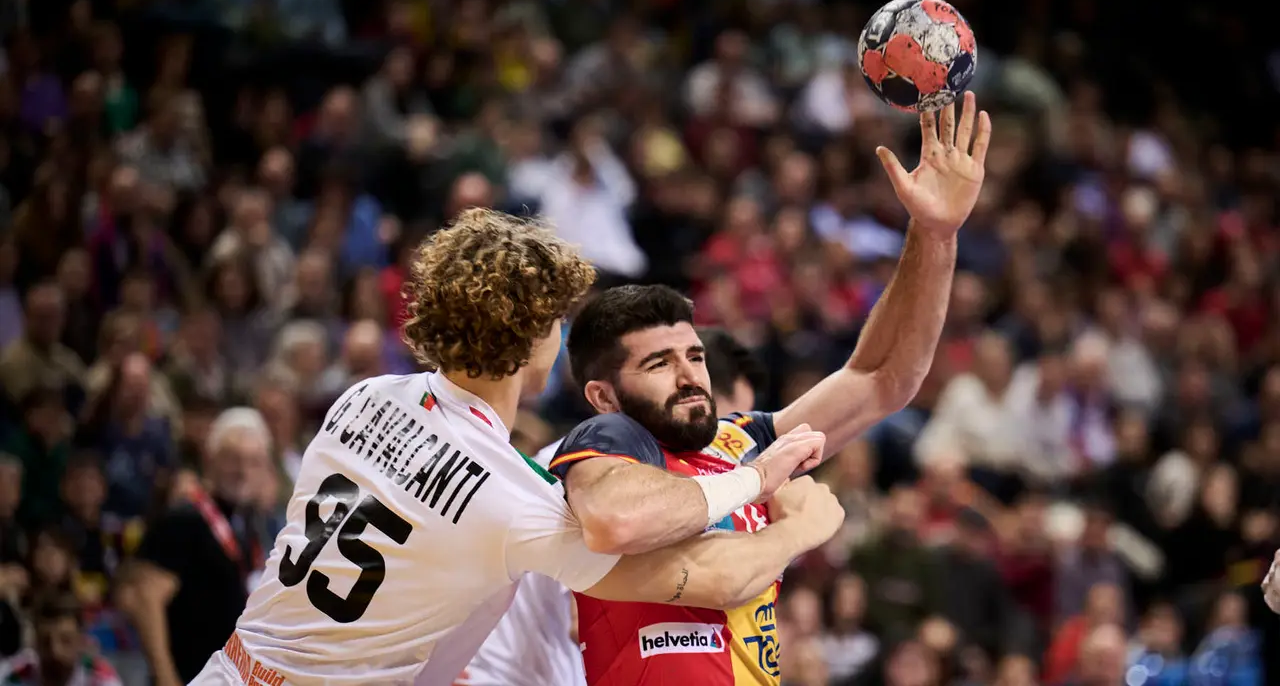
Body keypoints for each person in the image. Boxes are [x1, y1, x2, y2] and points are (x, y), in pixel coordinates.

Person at [186, 209, 844, 685]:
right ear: (534, 337)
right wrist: (769, 494)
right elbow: (713, 579)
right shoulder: (514, 501)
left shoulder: (365, 397)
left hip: (228, 670)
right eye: (557, 321)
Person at [549, 93, 991, 684]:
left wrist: (935, 235)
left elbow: (882, 378)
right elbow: (615, 523)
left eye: (695, 356)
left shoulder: (739, 441)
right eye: (658, 363)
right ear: (603, 395)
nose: (689, 377)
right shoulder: (607, 442)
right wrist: (792, 524)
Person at [463, 327, 766, 686]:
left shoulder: (594, 461)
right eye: (731, 422)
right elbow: (590, 617)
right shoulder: (599, 477)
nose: (732, 444)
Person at [123, 408, 275, 686]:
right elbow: (144, 599)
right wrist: (166, 678)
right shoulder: (185, 518)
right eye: (233, 458)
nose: (243, 471)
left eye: (253, 461)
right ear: (210, 460)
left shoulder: (249, 524)